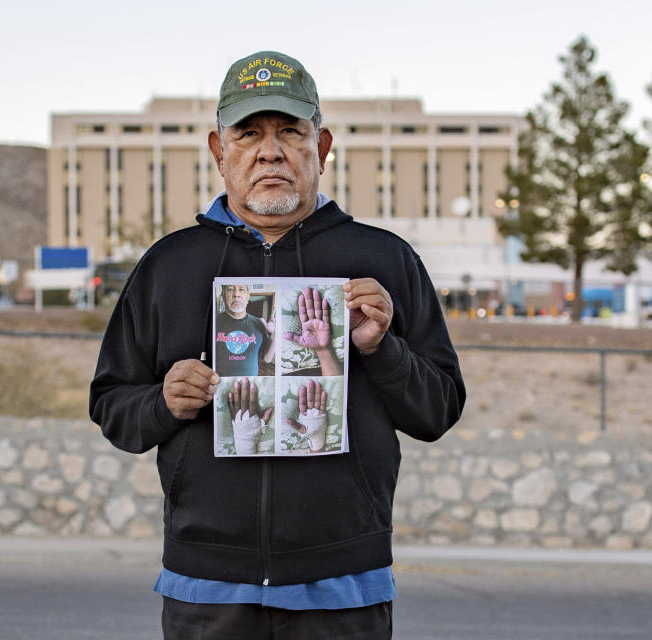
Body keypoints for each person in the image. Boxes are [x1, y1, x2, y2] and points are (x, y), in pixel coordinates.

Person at [90, 50, 465, 639]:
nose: (270, 151)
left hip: (345, 583)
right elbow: (112, 408)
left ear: (321, 147)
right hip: (206, 584)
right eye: (249, 134)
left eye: (291, 131)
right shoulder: (168, 266)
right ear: (220, 152)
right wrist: (163, 402)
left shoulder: (384, 260)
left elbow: (438, 411)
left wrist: (382, 350)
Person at [215, 283, 275, 376]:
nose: (236, 294)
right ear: (223, 295)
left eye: (241, 289)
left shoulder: (259, 324)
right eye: (230, 289)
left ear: (248, 296)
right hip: (221, 384)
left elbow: (267, 359)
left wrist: (274, 334)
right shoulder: (214, 324)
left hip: (250, 383)